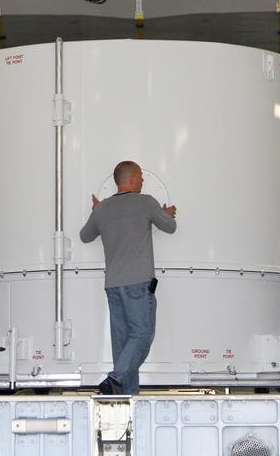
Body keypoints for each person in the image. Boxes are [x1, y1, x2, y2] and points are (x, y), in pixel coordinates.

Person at [79, 160, 177, 395]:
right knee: (142, 335)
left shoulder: (103, 209)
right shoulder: (146, 202)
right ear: (132, 178)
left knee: (123, 346)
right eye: (141, 176)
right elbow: (170, 227)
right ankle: (116, 379)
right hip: (138, 283)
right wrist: (165, 214)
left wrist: (97, 212)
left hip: (113, 285)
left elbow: (85, 236)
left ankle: (125, 398)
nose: (143, 180)